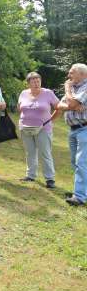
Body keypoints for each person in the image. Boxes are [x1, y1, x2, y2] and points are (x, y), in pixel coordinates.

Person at [17, 72, 59, 188]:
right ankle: (31, 175)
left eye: (38, 81)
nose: (36, 83)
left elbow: (58, 107)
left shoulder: (48, 93)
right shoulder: (23, 93)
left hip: (43, 128)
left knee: (45, 153)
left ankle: (50, 179)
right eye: (33, 81)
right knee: (30, 152)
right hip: (25, 128)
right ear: (28, 83)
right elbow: (19, 108)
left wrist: (50, 120)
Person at [56, 63, 87, 206]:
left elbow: (71, 104)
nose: (68, 76)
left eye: (71, 73)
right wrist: (71, 104)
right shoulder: (74, 88)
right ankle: (79, 191)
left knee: (81, 162)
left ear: (82, 74)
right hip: (73, 129)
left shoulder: (85, 87)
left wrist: (68, 91)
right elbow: (59, 105)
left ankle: (80, 197)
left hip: (84, 129)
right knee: (76, 162)